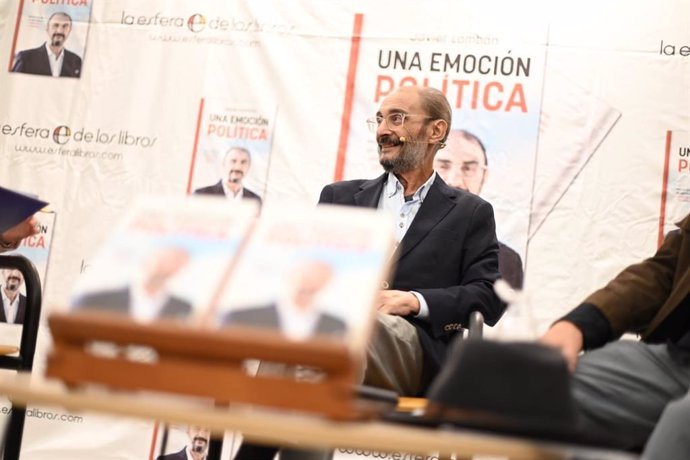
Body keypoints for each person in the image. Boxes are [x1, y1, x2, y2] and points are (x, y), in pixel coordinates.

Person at [234, 85, 505, 460]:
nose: (382, 130)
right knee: (304, 324)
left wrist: (414, 301)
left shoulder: (470, 213)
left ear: (435, 132)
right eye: (379, 119)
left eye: (397, 118)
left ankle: (258, 453)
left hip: (413, 351)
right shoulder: (340, 198)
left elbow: (490, 297)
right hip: (330, 341)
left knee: (333, 327)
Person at [539, 215, 690, 459]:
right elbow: (661, 274)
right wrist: (578, 325)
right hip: (675, 358)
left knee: (682, 421)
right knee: (549, 392)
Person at [433, 129, 524, 289]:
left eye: (468, 169)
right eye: (443, 166)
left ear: (484, 176)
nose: (455, 181)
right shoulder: (393, 246)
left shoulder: (506, 262)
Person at [223, 259, 346, 340]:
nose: (311, 284)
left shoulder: (336, 325)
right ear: (289, 276)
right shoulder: (241, 317)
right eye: (306, 276)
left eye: (320, 278)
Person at [72, 246, 193, 321]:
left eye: (177, 263)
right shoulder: (93, 300)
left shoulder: (184, 309)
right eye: (164, 259)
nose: (168, 266)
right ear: (147, 259)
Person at [11, 12, 82, 78]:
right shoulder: (25, 58)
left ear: (70, 30)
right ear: (47, 28)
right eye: (56, 25)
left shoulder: (76, 61)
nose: (60, 30)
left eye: (65, 26)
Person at [194, 147, 262, 205]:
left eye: (243, 162)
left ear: (249, 167)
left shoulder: (255, 200)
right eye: (233, 161)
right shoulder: (202, 195)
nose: (238, 167)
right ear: (224, 164)